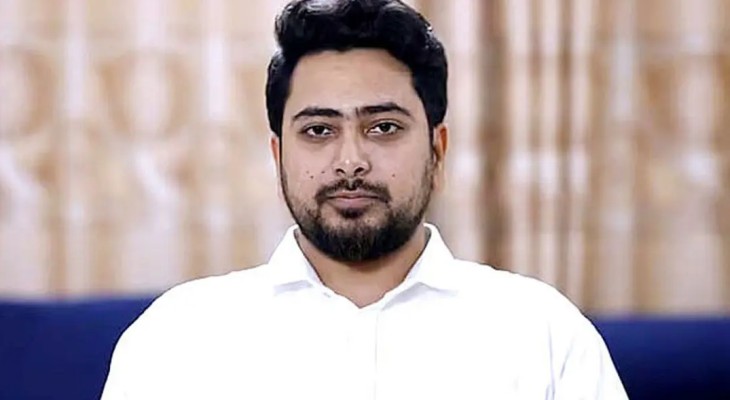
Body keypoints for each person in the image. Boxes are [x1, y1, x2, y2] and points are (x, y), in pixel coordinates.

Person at [101, 0, 628, 398]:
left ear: (437, 150)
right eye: (318, 131)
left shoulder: (542, 332)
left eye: (383, 127)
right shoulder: (177, 338)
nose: (350, 161)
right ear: (278, 155)